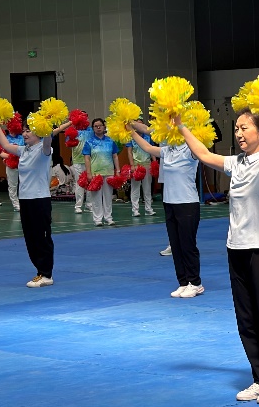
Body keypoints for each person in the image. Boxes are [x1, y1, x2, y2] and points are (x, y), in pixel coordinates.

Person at [179, 109, 259, 404]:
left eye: (245, 128)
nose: (239, 134)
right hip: (236, 249)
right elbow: (204, 154)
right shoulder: (235, 163)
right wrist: (180, 125)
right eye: (236, 129)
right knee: (246, 318)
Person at [130, 121, 204, 297]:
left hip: (187, 203)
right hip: (169, 203)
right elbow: (148, 148)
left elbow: (202, 150)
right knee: (176, 246)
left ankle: (195, 282)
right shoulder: (167, 151)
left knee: (187, 245)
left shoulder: (190, 150)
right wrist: (130, 131)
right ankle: (183, 282)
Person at [0, 119, 70, 287]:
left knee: (41, 237)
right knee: (30, 238)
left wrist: (47, 123)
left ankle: (46, 274)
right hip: (25, 200)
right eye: (23, 131)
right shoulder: (24, 150)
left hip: (40, 199)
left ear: (38, 132)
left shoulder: (44, 150)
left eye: (28, 130)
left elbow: (48, 137)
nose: (24, 134)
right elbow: (6, 145)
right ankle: (40, 271)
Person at [82, 118, 122, 225]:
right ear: (93, 128)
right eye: (96, 126)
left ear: (104, 127)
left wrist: (118, 171)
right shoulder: (89, 142)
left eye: (100, 125)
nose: (98, 127)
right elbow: (87, 158)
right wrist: (89, 173)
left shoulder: (110, 141)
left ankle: (108, 217)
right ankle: (97, 219)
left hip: (109, 172)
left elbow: (115, 156)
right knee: (96, 197)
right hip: (95, 173)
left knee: (108, 196)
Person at [128, 128, 156, 216]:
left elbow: (152, 150)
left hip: (147, 165)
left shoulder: (148, 137)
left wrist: (154, 162)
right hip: (136, 166)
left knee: (147, 188)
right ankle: (135, 210)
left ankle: (148, 209)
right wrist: (132, 165)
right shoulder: (131, 137)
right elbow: (129, 152)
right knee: (135, 188)